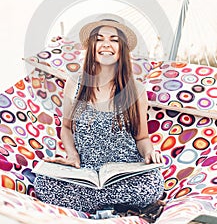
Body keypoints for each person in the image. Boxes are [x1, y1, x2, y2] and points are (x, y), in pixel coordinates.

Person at [34, 14, 164, 214]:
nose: (106, 45)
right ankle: (118, 208)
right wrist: (72, 155)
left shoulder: (136, 89)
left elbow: (142, 137)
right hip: (84, 171)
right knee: (43, 183)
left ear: (121, 49)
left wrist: (149, 153)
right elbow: (67, 127)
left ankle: (104, 207)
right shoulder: (75, 82)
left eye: (113, 40)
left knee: (152, 184)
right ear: (91, 47)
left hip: (124, 172)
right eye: (99, 39)